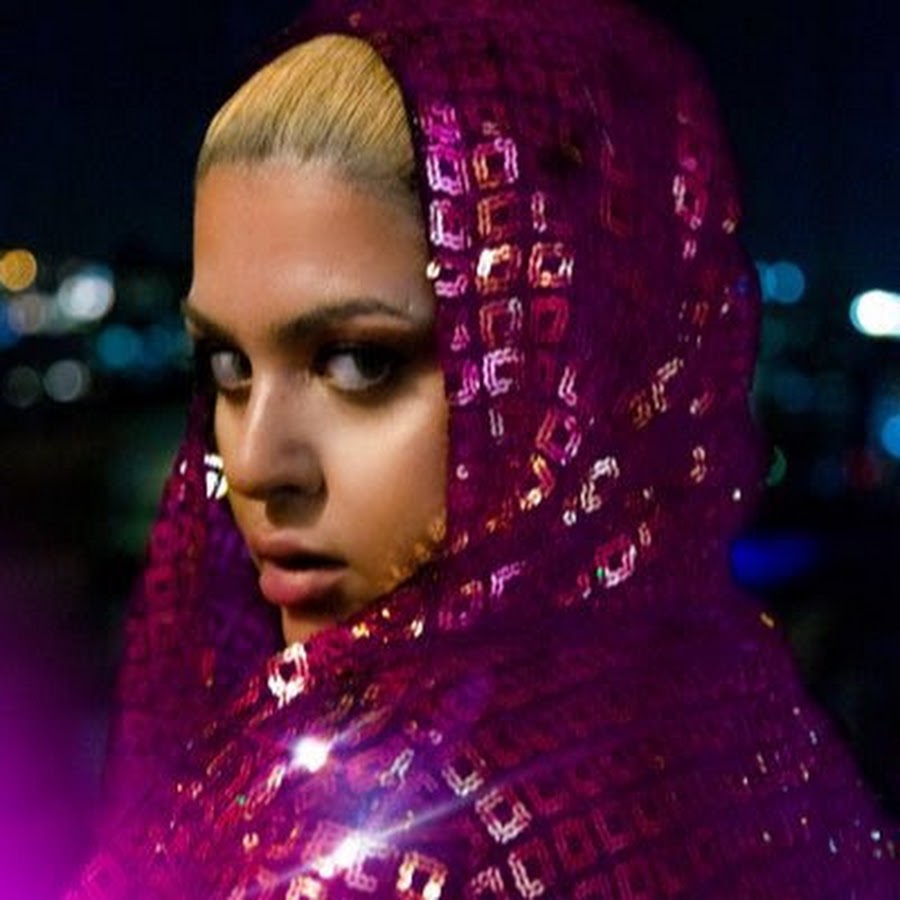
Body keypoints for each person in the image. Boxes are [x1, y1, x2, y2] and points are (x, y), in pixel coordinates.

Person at [69, 0, 898, 896]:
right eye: (227, 366)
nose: (256, 465)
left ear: (567, 372)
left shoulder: (361, 851)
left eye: (360, 362)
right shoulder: (756, 743)